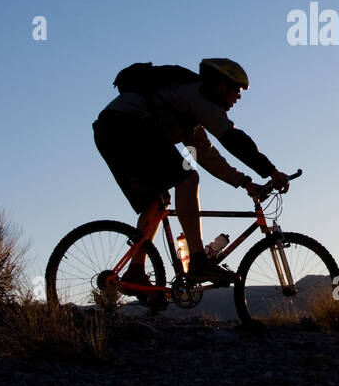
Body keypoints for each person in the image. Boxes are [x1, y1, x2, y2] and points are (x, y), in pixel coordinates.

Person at [92, 57, 290, 286]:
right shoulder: (197, 96)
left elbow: (206, 156)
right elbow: (232, 138)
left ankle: (135, 271)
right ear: (220, 85)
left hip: (111, 131)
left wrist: (245, 182)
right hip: (126, 126)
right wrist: (271, 171)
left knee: (157, 201)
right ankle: (197, 261)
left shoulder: (190, 116)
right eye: (236, 89)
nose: (239, 96)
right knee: (188, 178)